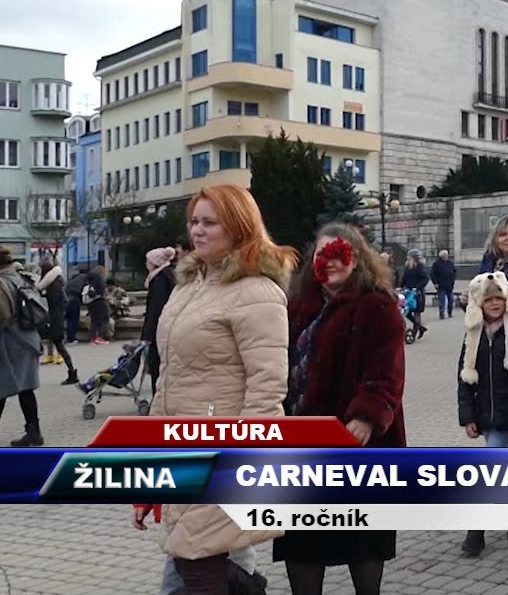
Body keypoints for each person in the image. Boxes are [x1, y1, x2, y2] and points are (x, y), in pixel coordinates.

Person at [132, 184, 296, 595]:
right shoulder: (188, 286)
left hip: (222, 455)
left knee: (200, 568)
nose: (197, 231)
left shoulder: (256, 291)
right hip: (182, 452)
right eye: (193, 222)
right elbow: (169, 379)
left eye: (209, 222)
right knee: (192, 569)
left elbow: (267, 387)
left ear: (238, 227)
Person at [276, 224, 406, 595]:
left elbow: (388, 369)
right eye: (321, 255)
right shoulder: (296, 306)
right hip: (302, 444)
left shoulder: (376, 304)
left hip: (357, 445)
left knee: (361, 544)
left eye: (339, 253)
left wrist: (366, 415)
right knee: (302, 548)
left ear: (357, 259)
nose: (329, 262)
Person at [457, 272, 508, 558]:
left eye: (500, 298)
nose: (495, 303)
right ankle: (498, 525)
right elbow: (464, 377)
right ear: (480, 303)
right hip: (488, 415)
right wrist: (468, 415)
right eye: (490, 299)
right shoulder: (472, 334)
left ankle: (489, 527)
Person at [0, 246, 46, 446]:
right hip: (27, 338)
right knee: (3, 384)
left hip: (8, 342)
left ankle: (34, 433)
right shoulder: (20, 277)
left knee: (17, 386)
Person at [35, 255, 78, 385]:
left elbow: (52, 302)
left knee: (58, 346)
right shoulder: (56, 283)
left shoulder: (52, 285)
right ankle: (72, 372)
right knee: (59, 346)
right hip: (56, 318)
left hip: (54, 319)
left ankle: (72, 372)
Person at [142, 247, 178, 398]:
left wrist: (147, 335)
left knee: (156, 367)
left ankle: (158, 399)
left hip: (158, 331)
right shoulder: (169, 276)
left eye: (148, 261)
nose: (146, 264)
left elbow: (155, 310)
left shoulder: (158, 280)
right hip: (169, 328)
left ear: (155, 263)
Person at [400, 251, 429, 338]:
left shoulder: (419, 267)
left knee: (417, 313)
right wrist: (400, 286)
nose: (407, 258)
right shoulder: (407, 267)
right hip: (408, 292)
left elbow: (425, 278)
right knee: (407, 311)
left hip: (418, 294)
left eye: (409, 257)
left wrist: (417, 287)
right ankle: (421, 328)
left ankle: (414, 333)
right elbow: (404, 278)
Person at [83, 265, 110, 345]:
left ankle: (93, 338)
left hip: (91, 302)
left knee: (94, 321)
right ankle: (100, 337)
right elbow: (101, 290)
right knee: (104, 320)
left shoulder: (89, 277)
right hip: (99, 301)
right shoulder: (99, 277)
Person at [63, 266, 87, 343]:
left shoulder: (72, 279)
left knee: (67, 319)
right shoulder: (85, 279)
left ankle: (65, 337)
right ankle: (71, 338)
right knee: (73, 319)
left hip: (66, 298)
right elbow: (85, 291)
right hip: (74, 299)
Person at [431, 249, 457, 320]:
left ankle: (450, 312)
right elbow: (433, 274)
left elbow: (454, 271)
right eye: (445, 255)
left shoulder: (450, 263)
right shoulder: (436, 264)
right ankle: (441, 313)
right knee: (442, 300)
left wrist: (453, 279)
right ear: (442, 256)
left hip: (449, 285)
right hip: (441, 285)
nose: (447, 257)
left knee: (451, 299)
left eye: (447, 255)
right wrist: (435, 283)